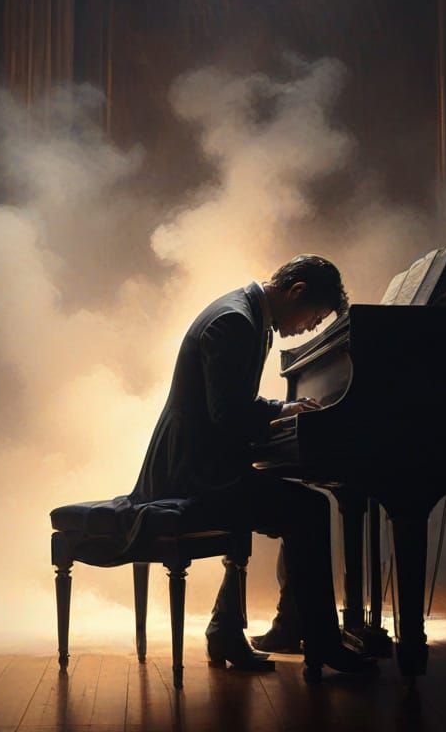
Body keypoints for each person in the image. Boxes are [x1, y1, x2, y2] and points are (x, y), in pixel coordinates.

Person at [130, 255, 375, 679]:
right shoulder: (235, 322)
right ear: (296, 291)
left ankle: (241, 627)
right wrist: (283, 410)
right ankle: (322, 642)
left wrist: (279, 417)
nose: (306, 330)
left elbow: (230, 414)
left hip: (202, 463)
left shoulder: (248, 317)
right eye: (312, 319)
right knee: (308, 509)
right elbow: (227, 413)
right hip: (190, 475)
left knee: (291, 500)